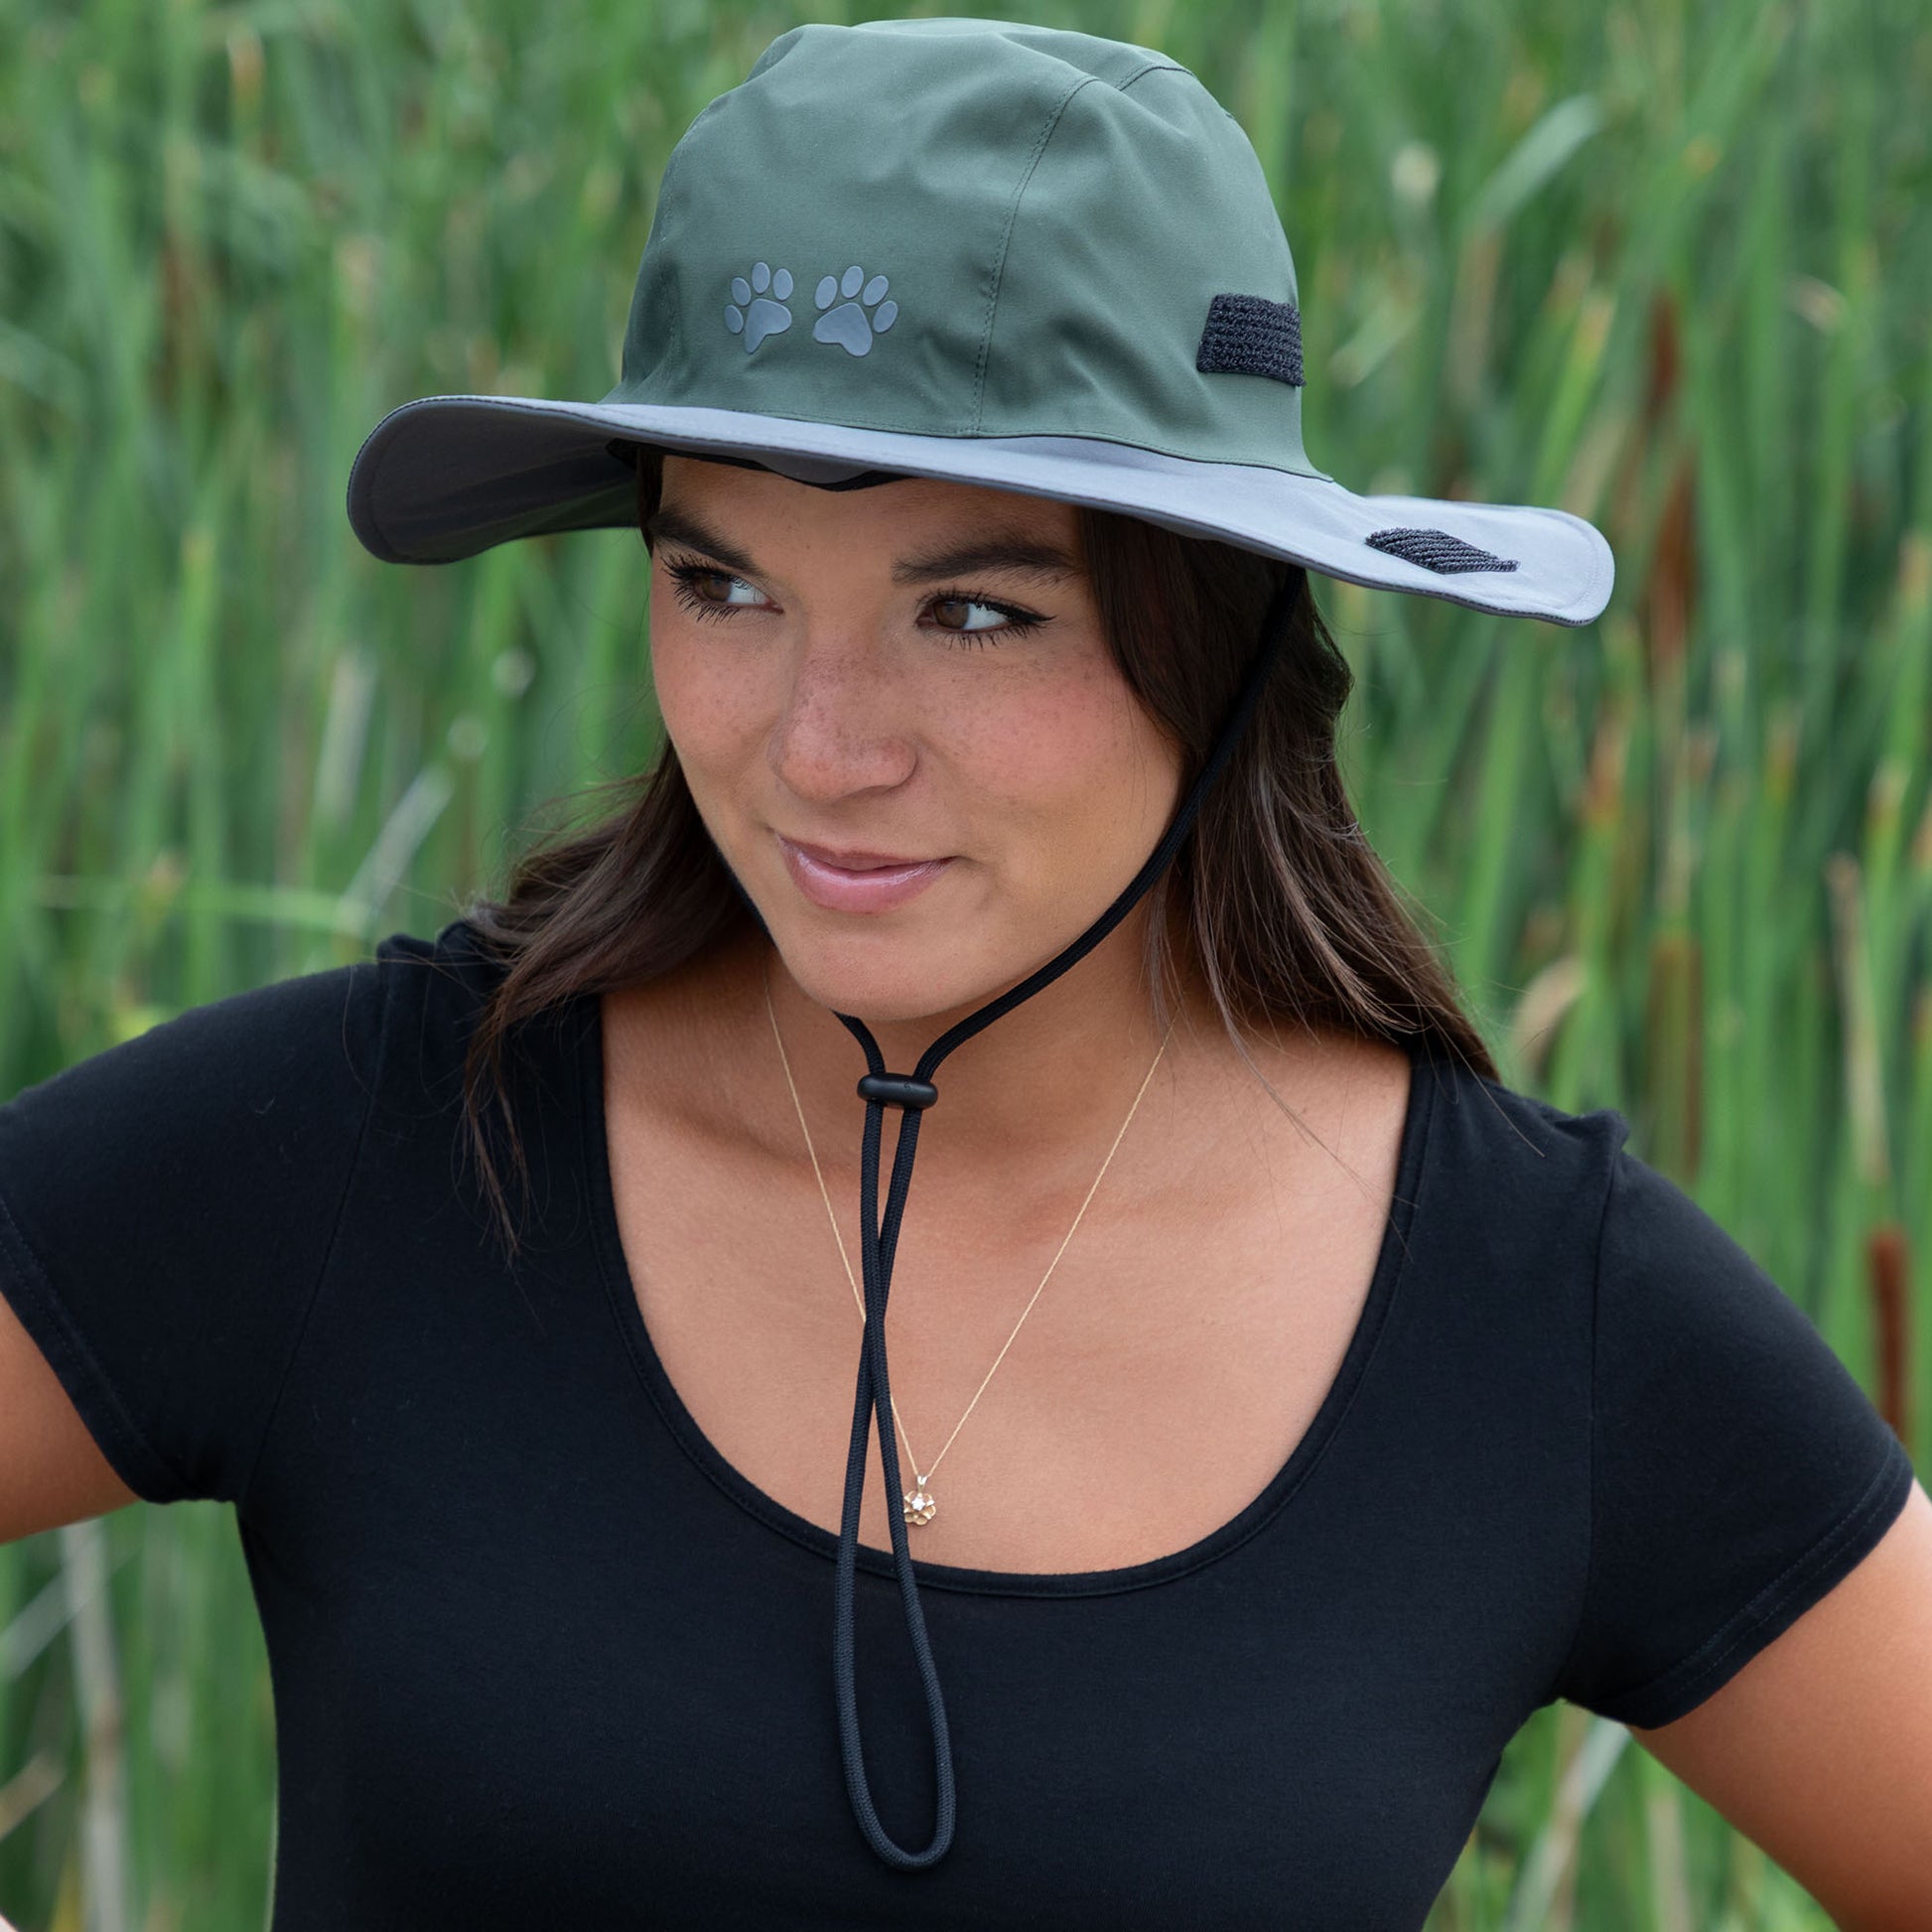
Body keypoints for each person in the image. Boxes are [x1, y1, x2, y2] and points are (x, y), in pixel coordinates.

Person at [3, 17, 1929, 1929]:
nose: (818, 746)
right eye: (723, 585)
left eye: (977, 613)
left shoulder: (1533, 1317)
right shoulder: (374, 1148)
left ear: (1221, 629)